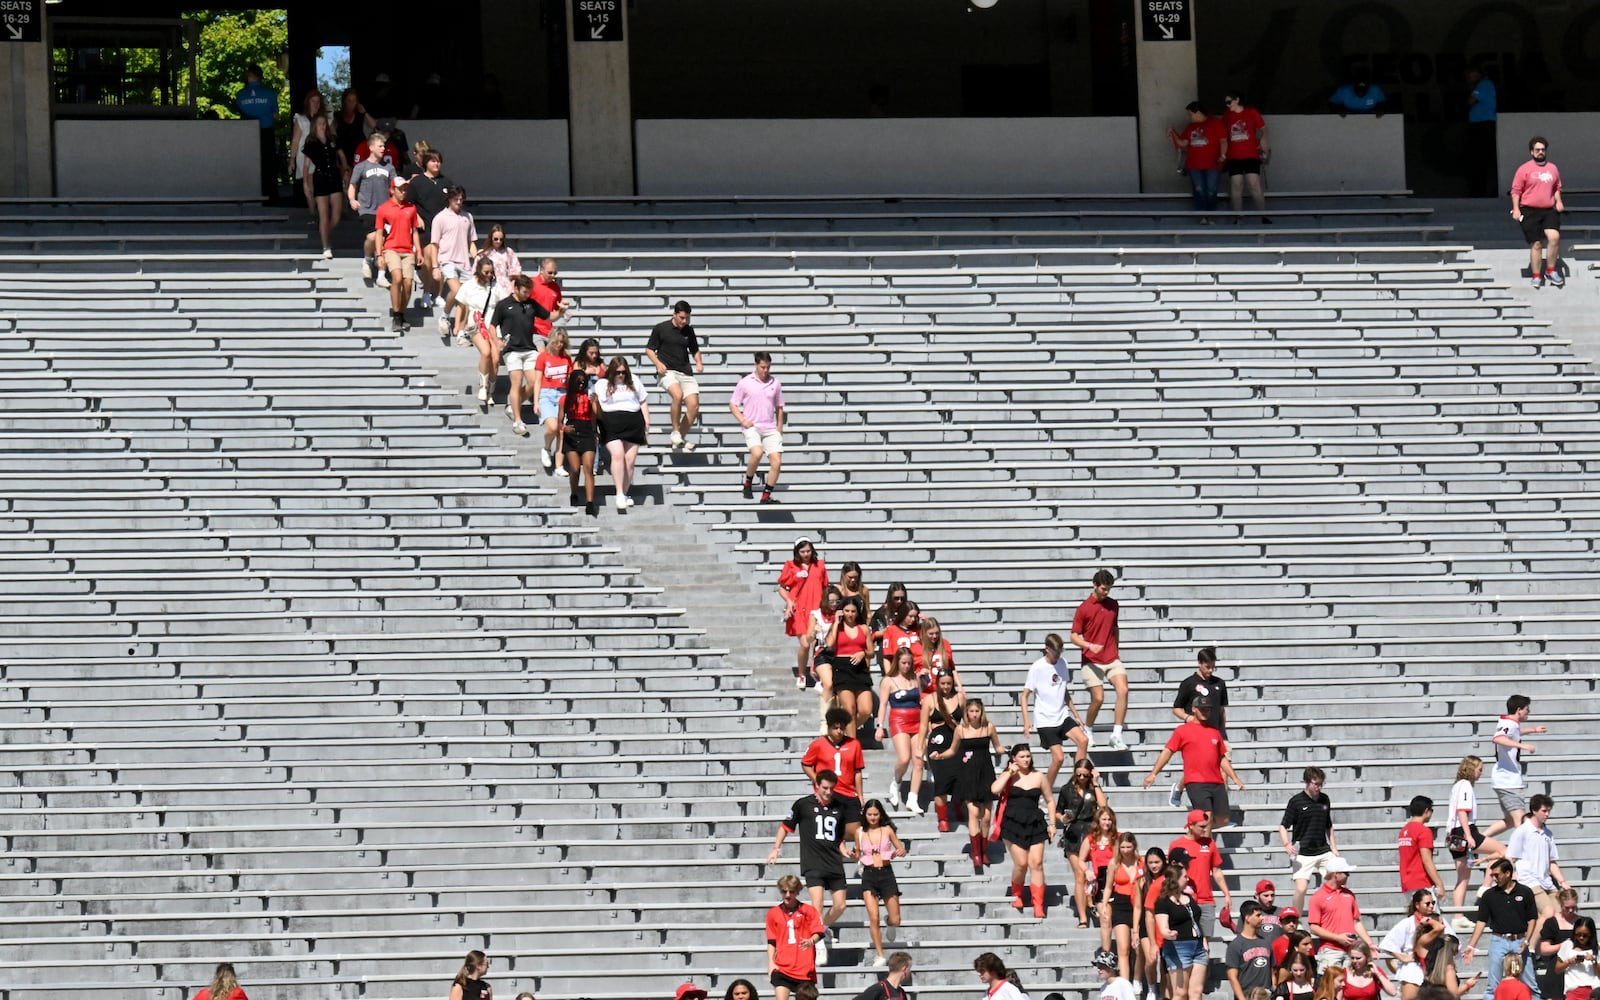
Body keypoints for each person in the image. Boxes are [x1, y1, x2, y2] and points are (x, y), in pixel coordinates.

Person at [768, 772, 855, 959]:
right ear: (817, 785)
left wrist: (846, 851)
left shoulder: (839, 806)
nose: (828, 792)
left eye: (831, 789)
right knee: (818, 902)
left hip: (833, 861)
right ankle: (820, 941)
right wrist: (776, 849)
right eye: (825, 788)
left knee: (840, 905)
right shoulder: (803, 804)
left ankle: (821, 928)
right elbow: (785, 826)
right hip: (813, 861)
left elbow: (838, 838)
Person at [1143, 696, 1244, 830]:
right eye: (1202, 709)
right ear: (1194, 709)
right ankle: (1203, 845)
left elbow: (1222, 758)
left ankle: (1194, 830)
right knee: (1206, 818)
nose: (1205, 712)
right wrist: (1153, 774)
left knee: (1223, 819)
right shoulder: (1182, 730)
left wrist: (1235, 778)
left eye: (1208, 709)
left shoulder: (1214, 732)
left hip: (1217, 782)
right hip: (1196, 782)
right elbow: (1167, 752)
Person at [490, 275, 559, 436]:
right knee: (516, 381)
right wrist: (497, 341)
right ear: (515, 288)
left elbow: (549, 317)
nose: (527, 295)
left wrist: (561, 311)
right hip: (512, 350)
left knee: (534, 381)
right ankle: (518, 420)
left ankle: (512, 406)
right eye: (524, 292)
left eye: (529, 292)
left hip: (529, 348)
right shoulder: (504, 305)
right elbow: (492, 325)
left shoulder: (531, 304)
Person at [1021, 632, 1090, 794]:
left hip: (1062, 715)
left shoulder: (1063, 663)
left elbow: (1064, 691)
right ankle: (1046, 791)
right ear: (1047, 649)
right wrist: (1026, 721)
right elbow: (1024, 695)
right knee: (1058, 758)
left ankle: (1077, 784)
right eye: (1056, 652)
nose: (1058, 655)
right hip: (1045, 720)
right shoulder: (1037, 668)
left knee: (1083, 740)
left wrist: (1076, 715)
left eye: (1060, 652)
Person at [1071, 569, 1130, 750]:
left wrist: (1115, 649)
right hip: (1091, 659)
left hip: (1111, 657)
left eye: (1109, 589)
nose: (1106, 592)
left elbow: (1115, 628)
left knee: (1124, 690)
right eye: (1104, 588)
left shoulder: (1113, 605)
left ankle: (1116, 735)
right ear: (1095, 585)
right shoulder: (1084, 608)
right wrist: (1088, 645)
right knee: (1098, 698)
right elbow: (1073, 636)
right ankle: (1088, 730)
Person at [994, 743, 1052, 918]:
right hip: (1012, 822)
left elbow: (1049, 799)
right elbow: (995, 789)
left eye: (1028, 756)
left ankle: (1038, 904)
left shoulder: (1039, 776)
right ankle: (1017, 893)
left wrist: (1053, 824)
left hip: (1035, 822)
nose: (1026, 759)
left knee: (1037, 863)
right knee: (1021, 863)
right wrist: (1009, 773)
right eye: (1022, 756)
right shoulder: (1009, 775)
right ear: (1013, 759)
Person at [944, 697, 1002, 873]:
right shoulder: (961, 729)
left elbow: (997, 747)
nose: (974, 714)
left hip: (985, 772)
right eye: (971, 711)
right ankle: (976, 853)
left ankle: (984, 850)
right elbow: (953, 750)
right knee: (974, 812)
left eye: (977, 711)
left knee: (986, 816)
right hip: (968, 773)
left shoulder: (989, 727)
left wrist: (1007, 750)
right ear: (966, 713)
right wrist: (940, 756)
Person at [1450, 755, 1507, 920]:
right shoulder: (1466, 785)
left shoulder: (1457, 786)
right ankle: (1486, 886)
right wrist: (1469, 835)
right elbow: (1462, 810)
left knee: (1462, 878)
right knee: (1502, 850)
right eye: (1479, 769)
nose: (1481, 773)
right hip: (1464, 830)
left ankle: (1458, 917)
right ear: (1471, 769)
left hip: (1453, 833)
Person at [645, 300, 705, 451]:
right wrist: (658, 364)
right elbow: (649, 350)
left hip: (685, 371)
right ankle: (676, 431)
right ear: (675, 314)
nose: (684, 321)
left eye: (687, 318)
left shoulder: (689, 331)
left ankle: (679, 438)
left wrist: (698, 362)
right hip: (667, 371)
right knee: (677, 395)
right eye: (682, 318)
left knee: (693, 406)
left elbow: (695, 349)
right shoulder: (661, 328)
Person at [593, 356, 650, 511]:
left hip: (633, 421)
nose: (621, 375)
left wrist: (647, 423)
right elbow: (595, 402)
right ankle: (619, 493)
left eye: (623, 372)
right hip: (611, 422)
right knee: (617, 454)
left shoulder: (634, 381)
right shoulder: (602, 384)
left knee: (630, 460)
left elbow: (643, 401)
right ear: (612, 371)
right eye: (618, 372)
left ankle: (624, 493)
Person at [1488, 696, 1548, 838]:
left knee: (1509, 821)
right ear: (1519, 710)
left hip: (1505, 779)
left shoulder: (1510, 723)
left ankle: (1478, 841)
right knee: (1520, 820)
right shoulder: (1509, 724)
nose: (1529, 711)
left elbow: (1513, 733)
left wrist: (1533, 730)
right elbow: (1498, 738)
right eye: (1527, 709)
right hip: (1508, 780)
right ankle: (1522, 854)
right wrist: (1523, 746)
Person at [730, 351, 786, 503]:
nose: (765, 370)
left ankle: (766, 495)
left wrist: (779, 429)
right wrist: (742, 420)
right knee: (757, 453)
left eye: (768, 367)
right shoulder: (745, 382)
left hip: (770, 428)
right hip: (753, 426)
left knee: (777, 462)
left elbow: (779, 407)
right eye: (762, 367)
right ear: (756, 365)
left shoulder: (775, 383)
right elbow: (733, 404)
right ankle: (748, 482)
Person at [1281, 767, 1340, 911]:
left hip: (1323, 849)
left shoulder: (1325, 799)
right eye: (1315, 784)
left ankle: (1333, 916)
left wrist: (1334, 847)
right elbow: (1283, 826)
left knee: (1337, 882)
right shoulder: (1296, 801)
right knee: (1301, 889)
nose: (1318, 787)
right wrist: (1287, 844)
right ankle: (1295, 920)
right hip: (1302, 852)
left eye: (1320, 784)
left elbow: (1328, 825)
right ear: (1307, 782)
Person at [1170, 809, 1233, 943]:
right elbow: (1171, 873)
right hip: (1183, 899)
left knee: (1205, 942)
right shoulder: (1176, 844)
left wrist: (1226, 893)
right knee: (1186, 941)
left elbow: (1216, 870)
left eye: (1206, 825)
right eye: (1201, 826)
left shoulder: (1209, 843)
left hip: (1206, 900)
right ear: (1190, 825)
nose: (1205, 829)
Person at [803, 708, 867, 840]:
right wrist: (817, 781)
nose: (839, 731)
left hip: (849, 792)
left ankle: (852, 853)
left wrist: (860, 795)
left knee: (854, 831)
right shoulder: (818, 744)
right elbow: (806, 764)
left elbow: (858, 771)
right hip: (829, 793)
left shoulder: (854, 744)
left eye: (842, 728)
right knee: (829, 828)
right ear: (829, 727)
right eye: (835, 727)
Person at [1510, 139, 1566, 289]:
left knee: (1554, 237)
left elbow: (1556, 187)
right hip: (1529, 210)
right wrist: (1516, 209)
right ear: (1531, 151)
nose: (1540, 152)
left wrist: (1559, 201)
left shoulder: (1552, 168)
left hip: (1548, 210)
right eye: (1537, 149)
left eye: (1543, 149)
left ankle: (1551, 270)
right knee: (1536, 244)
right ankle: (1536, 276)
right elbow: (1516, 191)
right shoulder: (1524, 169)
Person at [1056, 764, 1107, 927]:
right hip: (1074, 833)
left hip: (1092, 831)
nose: (1082, 778)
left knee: (1093, 874)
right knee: (1079, 875)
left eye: (1086, 775)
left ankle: (1091, 902)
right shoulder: (1066, 789)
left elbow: (1104, 807)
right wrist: (1062, 819)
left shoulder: (1093, 788)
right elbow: (1058, 811)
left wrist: (1097, 783)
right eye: (1079, 775)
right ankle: (1083, 916)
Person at [856, 799, 905, 967]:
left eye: (875, 814)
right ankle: (880, 954)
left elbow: (901, 849)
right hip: (869, 874)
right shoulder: (860, 832)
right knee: (873, 917)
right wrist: (852, 854)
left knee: (896, 919)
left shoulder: (887, 830)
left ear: (881, 814)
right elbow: (857, 852)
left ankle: (889, 921)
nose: (872, 817)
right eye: (869, 814)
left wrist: (899, 851)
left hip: (886, 873)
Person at [1506, 794, 1568, 919]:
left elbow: (1552, 862)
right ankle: (1530, 939)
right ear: (1534, 810)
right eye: (1544, 811)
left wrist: (1563, 882)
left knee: (1561, 915)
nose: (1547, 814)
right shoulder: (1522, 831)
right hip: (1528, 880)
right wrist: (1513, 875)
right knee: (1548, 912)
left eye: (1548, 811)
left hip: (1546, 881)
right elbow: (1509, 856)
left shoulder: (1548, 834)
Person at [1309, 857, 1376, 972]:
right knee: (1330, 986)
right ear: (1336, 874)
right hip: (1330, 951)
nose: (1348, 875)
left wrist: (1370, 944)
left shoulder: (1349, 895)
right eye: (1346, 873)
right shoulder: (1318, 897)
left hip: (1351, 951)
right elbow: (1313, 927)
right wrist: (1337, 938)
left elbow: (1356, 922)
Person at [374, 177, 423, 332]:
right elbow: (379, 232)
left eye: (405, 189)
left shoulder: (411, 208)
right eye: (400, 189)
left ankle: (401, 313)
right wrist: (379, 255)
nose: (403, 192)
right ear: (392, 190)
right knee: (396, 277)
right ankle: (396, 314)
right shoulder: (384, 208)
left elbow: (415, 230)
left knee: (408, 284)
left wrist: (419, 251)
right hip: (391, 248)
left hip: (407, 250)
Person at [877, 646, 923, 812]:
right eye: (903, 663)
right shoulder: (888, 681)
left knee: (918, 761)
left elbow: (922, 700)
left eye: (909, 663)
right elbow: (882, 705)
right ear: (897, 662)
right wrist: (879, 726)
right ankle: (896, 782)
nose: (906, 666)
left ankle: (913, 797)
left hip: (917, 720)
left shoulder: (915, 679)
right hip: (899, 720)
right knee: (904, 758)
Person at [779, 538, 829, 686]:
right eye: (802, 551)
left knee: (816, 644)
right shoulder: (791, 566)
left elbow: (825, 586)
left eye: (808, 551)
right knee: (805, 644)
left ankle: (815, 672)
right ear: (797, 552)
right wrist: (788, 601)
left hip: (816, 609)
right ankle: (802, 673)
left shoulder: (819, 565)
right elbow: (782, 587)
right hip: (799, 610)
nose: (806, 554)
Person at [764, 873, 824, 1000]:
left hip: (804, 968)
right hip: (783, 967)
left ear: (797, 892)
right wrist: (771, 962)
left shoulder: (808, 910)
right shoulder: (773, 913)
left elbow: (818, 931)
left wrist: (811, 941)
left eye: (791, 891)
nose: (787, 895)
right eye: (784, 891)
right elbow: (771, 941)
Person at [347, 132, 396, 285]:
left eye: (384, 146)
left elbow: (395, 187)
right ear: (371, 147)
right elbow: (352, 185)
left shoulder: (389, 168)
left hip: (385, 209)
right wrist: (352, 199)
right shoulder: (361, 167)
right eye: (380, 146)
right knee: (373, 237)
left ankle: (381, 274)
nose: (383, 149)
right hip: (367, 208)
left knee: (385, 241)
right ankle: (368, 259)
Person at [432, 186, 479, 339]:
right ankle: (445, 315)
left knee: (467, 297)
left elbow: (471, 242)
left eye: (461, 199)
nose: (459, 201)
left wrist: (476, 257)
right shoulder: (440, 218)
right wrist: (435, 266)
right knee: (459, 291)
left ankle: (460, 330)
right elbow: (435, 244)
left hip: (465, 263)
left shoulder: (468, 217)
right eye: (456, 199)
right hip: (447, 260)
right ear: (449, 199)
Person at [1157, 862, 1209, 1000]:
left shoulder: (1189, 897)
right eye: (1184, 876)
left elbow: (1196, 922)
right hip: (1178, 948)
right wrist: (1168, 933)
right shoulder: (1163, 901)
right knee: (1180, 993)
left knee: (1196, 992)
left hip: (1197, 947)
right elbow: (1162, 927)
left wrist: (1204, 943)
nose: (1187, 879)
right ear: (1176, 879)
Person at [460, 257, 508, 406]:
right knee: (486, 352)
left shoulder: (495, 286)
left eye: (491, 272)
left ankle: (490, 391)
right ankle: (483, 385)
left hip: (493, 326)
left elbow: (503, 305)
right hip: (476, 324)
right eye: (486, 272)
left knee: (495, 360)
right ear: (479, 271)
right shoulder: (469, 286)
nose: (489, 275)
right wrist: (459, 327)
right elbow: (461, 307)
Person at [825, 599, 875, 736]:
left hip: (860, 669)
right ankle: (853, 743)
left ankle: (846, 730)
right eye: (847, 611)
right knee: (849, 708)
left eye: (853, 611)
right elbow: (829, 643)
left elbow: (871, 652)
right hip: (842, 668)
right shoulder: (838, 627)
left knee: (866, 709)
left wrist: (862, 653)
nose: (850, 614)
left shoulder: (863, 628)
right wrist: (836, 622)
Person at [920, 669, 963, 827]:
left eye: (949, 683)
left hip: (957, 740)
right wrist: (919, 746)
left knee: (961, 778)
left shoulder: (960, 698)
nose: (946, 687)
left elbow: (966, 720)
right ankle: (943, 818)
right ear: (937, 683)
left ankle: (958, 804)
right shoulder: (930, 700)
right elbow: (924, 725)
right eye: (942, 683)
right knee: (941, 779)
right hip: (937, 742)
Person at [1101, 832, 1145, 982]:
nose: (1125, 850)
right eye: (1123, 847)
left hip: (1139, 904)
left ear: (1134, 846)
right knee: (1123, 948)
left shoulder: (1141, 862)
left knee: (1140, 949)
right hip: (1120, 903)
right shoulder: (1114, 863)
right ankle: (1125, 983)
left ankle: (1137, 979)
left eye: (1129, 847)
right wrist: (1105, 904)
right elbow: (1108, 887)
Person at [1170, 102, 1227, 217]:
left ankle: (1211, 214)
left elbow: (1223, 141)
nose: (1189, 117)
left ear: (1199, 113)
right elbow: (1182, 143)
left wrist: (1223, 155)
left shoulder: (1215, 123)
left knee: (1211, 190)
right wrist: (1173, 132)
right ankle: (1202, 215)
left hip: (1213, 164)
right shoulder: (1190, 127)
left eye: (1191, 114)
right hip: (1194, 165)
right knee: (1198, 189)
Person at [298, 113, 342, 258]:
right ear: (315, 126)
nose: (323, 126)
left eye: (324, 123)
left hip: (334, 177)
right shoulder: (311, 142)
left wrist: (345, 169)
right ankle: (325, 245)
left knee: (336, 214)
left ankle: (325, 233)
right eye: (320, 123)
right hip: (320, 177)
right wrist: (305, 183)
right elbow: (306, 165)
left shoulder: (332, 139)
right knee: (323, 213)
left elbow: (340, 157)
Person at [1381, 891, 1442, 993]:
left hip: (1435, 965)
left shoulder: (1438, 920)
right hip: (1413, 968)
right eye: (1427, 903)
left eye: (1433, 903)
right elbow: (1388, 942)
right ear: (1417, 905)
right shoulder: (1408, 923)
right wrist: (1402, 957)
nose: (1431, 906)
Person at [1222, 92, 1269, 218]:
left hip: (1251, 154)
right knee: (1236, 184)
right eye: (1225, 103)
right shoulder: (1226, 116)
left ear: (1237, 100)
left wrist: (1263, 139)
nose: (1227, 105)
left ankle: (1264, 215)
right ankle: (1238, 217)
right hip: (1233, 156)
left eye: (1229, 102)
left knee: (1253, 183)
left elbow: (1263, 128)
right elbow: (1223, 137)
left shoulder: (1251, 111)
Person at [532, 329, 573, 473]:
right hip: (546, 394)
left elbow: (570, 380)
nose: (559, 345)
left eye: (562, 342)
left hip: (563, 394)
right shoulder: (543, 357)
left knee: (562, 431)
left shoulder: (567, 358)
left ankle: (559, 466)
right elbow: (537, 381)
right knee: (552, 427)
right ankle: (547, 448)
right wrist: (536, 401)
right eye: (557, 342)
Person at [235, 65, 278, 201]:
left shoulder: (240, 95)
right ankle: (270, 196)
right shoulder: (270, 94)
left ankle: (250, 195)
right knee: (269, 165)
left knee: (249, 164)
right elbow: (276, 116)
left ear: (248, 76)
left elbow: (240, 113)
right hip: (266, 131)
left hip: (247, 133)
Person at [562, 367, 599, 515]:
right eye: (578, 383)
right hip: (572, 432)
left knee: (588, 468)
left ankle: (590, 502)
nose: (581, 385)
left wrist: (595, 403)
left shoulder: (590, 397)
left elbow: (598, 415)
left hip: (587, 431)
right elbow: (560, 420)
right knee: (575, 469)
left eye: (583, 382)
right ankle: (574, 492)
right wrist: (564, 428)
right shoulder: (565, 399)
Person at [1400, 797, 1447, 907]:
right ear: (1426, 811)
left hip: (1407, 882)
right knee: (1433, 921)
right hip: (1422, 881)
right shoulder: (1423, 831)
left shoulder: (1404, 831)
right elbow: (1427, 860)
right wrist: (1439, 884)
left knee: (1417, 920)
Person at [1534, 889, 1579, 1000]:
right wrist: (1562, 946)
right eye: (1567, 907)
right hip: (1557, 969)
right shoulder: (1552, 922)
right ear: (1561, 904)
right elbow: (1543, 949)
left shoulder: (1580, 922)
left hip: (1576, 971)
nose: (1570, 910)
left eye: (1573, 907)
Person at [1080, 807, 1119, 931]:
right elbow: (1080, 860)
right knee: (1106, 917)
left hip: (1117, 879)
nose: (1107, 822)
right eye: (1104, 819)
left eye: (1109, 819)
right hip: (1100, 881)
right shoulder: (1090, 839)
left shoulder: (1118, 838)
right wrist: (1087, 871)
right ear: (1098, 821)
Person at [288, 90, 326, 217]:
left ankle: (319, 212)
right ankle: (313, 212)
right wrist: (292, 159)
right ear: (308, 102)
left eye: (318, 101)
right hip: (304, 155)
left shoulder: (324, 119)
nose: (315, 104)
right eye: (313, 101)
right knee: (309, 184)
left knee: (319, 183)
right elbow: (295, 139)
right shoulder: (301, 119)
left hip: (320, 155)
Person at [1232, 902, 1280, 1000]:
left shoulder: (1266, 943)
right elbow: (1233, 977)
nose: (1262, 918)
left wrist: (1274, 990)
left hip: (1265, 995)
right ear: (1247, 918)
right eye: (1258, 915)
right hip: (1246, 995)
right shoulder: (1236, 944)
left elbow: (1272, 971)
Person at [1466, 68, 1499, 198]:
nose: (1470, 76)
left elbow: (1471, 101)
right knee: (1480, 159)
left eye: (1472, 73)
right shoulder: (1485, 84)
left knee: (1480, 158)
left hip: (1483, 125)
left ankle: (1480, 191)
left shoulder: (1484, 84)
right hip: (1482, 125)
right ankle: (1480, 189)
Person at [530, 257, 572, 347]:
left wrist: (563, 309)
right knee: (542, 355)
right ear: (541, 270)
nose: (553, 275)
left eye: (555, 273)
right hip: (534, 330)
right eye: (550, 273)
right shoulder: (532, 284)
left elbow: (557, 308)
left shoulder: (555, 287)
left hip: (549, 331)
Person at [332, 88, 373, 176]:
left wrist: (364, 112)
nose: (351, 104)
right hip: (344, 153)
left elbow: (374, 126)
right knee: (347, 180)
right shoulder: (337, 115)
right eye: (349, 100)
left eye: (354, 101)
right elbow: (333, 135)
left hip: (360, 151)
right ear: (344, 101)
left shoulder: (360, 115)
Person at [1555, 917, 1598, 1000]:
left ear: (1591, 934)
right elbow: (1557, 969)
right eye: (1578, 934)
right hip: (1573, 991)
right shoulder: (1567, 945)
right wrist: (1569, 962)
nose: (1581, 938)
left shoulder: (1596, 948)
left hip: (1593, 991)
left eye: (1585, 935)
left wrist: (1593, 960)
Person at [480, 224, 523, 294]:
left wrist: (511, 288)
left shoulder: (509, 252)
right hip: (487, 287)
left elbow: (516, 272)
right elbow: (476, 273)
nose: (498, 241)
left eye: (501, 239)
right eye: (496, 239)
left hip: (505, 288)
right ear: (491, 238)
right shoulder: (483, 253)